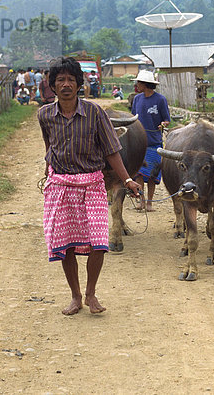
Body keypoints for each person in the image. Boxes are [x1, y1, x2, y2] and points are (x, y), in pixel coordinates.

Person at [38, 56, 141, 315]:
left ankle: (91, 293)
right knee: (67, 245)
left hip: (92, 184)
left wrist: (127, 179)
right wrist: (48, 173)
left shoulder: (95, 113)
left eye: (70, 80)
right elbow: (49, 147)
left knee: (98, 242)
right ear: (53, 85)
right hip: (60, 187)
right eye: (60, 80)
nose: (65, 84)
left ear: (79, 85)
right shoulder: (45, 115)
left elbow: (112, 150)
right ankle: (75, 296)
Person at [131, 70, 170, 212]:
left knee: (152, 175)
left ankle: (150, 203)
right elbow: (133, 118)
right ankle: (141, 201)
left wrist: (163, 124)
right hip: (139, 143)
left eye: (139, 83)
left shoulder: (160, 100)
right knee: (139, 173)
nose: (137, 85)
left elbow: (167, 119)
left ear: (145, 84)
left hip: (154, 142)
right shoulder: (137, 99)